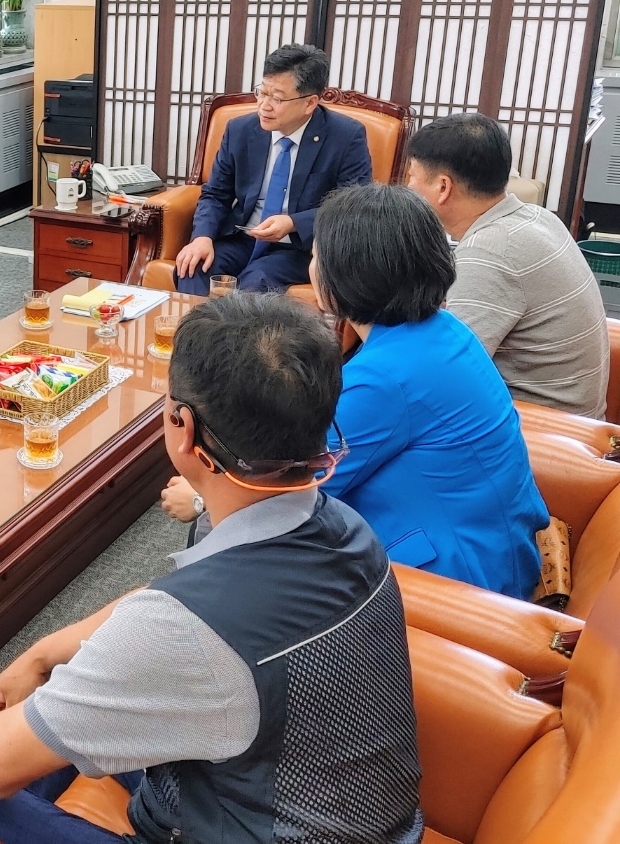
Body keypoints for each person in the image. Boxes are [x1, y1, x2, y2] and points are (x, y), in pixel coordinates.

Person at [0, 293, 424, 844]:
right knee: (60, 682)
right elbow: (174, 613)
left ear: (183, 427)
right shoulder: (347, 528)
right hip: (333, 806)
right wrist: (43, 652)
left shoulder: (187, 632)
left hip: (242, 819)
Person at [168, 183, 549, 600]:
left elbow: (288, 489)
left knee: (218, 524)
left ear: (344, 275)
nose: (312, 265)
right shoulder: (445, 331)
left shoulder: (384, 379)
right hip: (496, 546)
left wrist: (203, 497)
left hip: (450, 579)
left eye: (317, 255)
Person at [405, 112, 609, 418]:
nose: (408, 185)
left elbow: (445, 378)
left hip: (541, 426)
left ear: (443, 187)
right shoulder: (539, 217)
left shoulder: (489, 251)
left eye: (411, 176)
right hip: (578, 418)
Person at [174, 44, 373, 295]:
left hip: (297, 247)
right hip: (244, 237)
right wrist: (202, 237)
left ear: (310, 103)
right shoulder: (240, 130)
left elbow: (354, 208)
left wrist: (293, 222)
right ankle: (195, 323)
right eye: (262, 93)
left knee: (255, 282)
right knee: (192, 268)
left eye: (277, 98)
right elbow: (216, 193)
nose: (264, 106)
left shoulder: (345, 137)